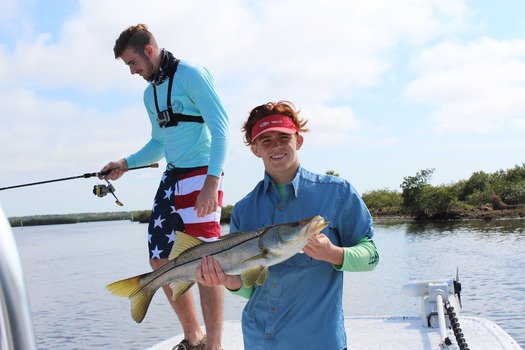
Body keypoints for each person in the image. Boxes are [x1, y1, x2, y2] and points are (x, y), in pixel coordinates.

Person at [196, 101, 379, 349]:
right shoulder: (243, 209)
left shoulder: (338, 192)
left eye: (284, 137)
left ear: (298, 141)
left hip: (318, 342)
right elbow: (250, 289)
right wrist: (228, 281)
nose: (276, 146)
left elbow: (371, 257)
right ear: (255, 149)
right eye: (266, 140)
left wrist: (333, 254)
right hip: (258, 340)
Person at [101, 24, 229, 350]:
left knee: (206, 263)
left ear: (148, 51)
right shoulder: (150, 93)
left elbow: (221, 127)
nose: (132, 72)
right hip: (172, 178)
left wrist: (212, 182)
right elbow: (159, 142)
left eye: (132, 63)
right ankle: (194, 336)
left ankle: (214, 345)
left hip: (202, 174)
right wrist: (125, 164)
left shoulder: (192, 74)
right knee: (160, 260)